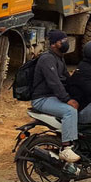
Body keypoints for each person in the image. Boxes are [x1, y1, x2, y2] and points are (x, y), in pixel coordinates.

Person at [30, 29, 80, 163]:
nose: (65, 43)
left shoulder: (59, 58)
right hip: (42, 99)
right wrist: (67, 99)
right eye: (62, 41)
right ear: (53, 44)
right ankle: (66, 149)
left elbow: (66, 79)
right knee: (70, 111)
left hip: (52, 97)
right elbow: (54, 83)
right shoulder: (47, 58)